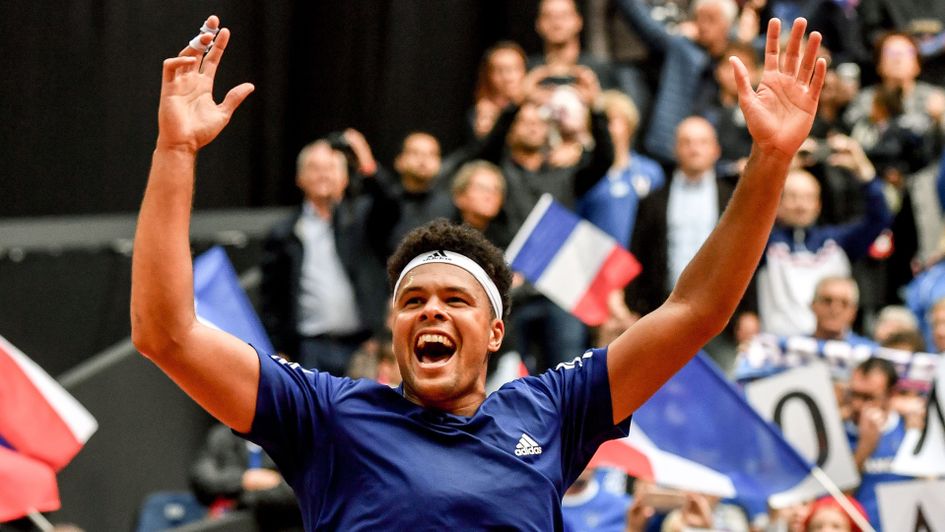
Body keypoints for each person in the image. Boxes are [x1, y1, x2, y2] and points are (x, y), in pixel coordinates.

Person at [131, 15, 826, 529]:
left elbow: (693, 312)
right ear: (394, 326)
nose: (431, 310)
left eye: (454, 300)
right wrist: (175, 150)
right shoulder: (327, 416)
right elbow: (166, 334)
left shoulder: (551, 410)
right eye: (414, 301)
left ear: (495, 331)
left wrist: (769, 161)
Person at [259, 132, 393, 374]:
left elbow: (391, 206)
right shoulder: (285, 233)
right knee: (312, 412)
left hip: (363, 346)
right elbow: (272, 300)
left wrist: (366, 161)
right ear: (299, 177)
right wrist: (279, 347)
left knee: (361, 412)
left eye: (331, 167)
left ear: (345, 177)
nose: (323, 174)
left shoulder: (362, 220)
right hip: (309, 348)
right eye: (314, 167)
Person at [843, 357, 911, 529]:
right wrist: (863, 450)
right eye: (854, 394)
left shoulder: (910, 429)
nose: (858, 405)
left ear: (891, 394)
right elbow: (832, 501)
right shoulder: (837, 434)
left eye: (868, 397)